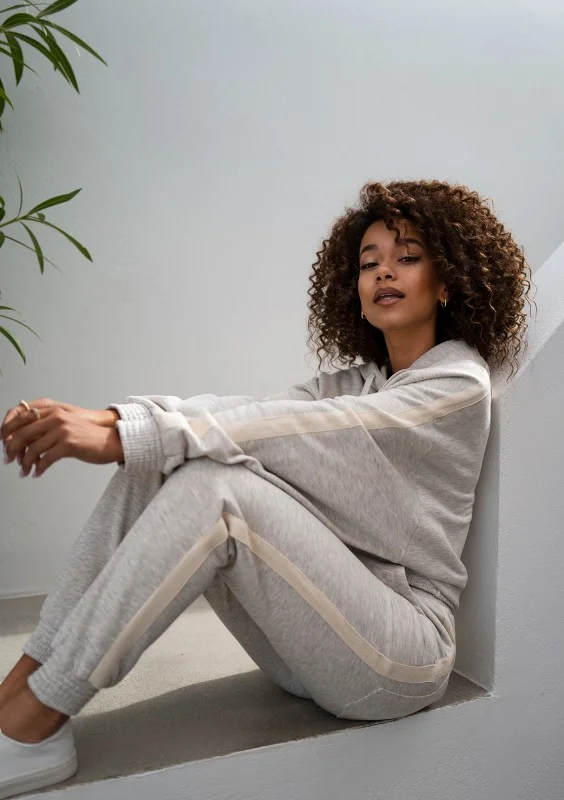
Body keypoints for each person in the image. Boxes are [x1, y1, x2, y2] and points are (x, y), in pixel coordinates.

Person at [0, 179, 531, 797]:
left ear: (447, 282)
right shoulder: (359, 382)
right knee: (168, 459)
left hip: (400, 657)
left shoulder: (456, 384)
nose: (385, 272)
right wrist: (122, 419)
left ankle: (37, 719)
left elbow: (291, 430)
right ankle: (20, 689)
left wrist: (123, 433)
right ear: (355, 290)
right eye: (369, 264)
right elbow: (247, 412)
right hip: (313, 640)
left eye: (407, 257)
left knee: (212, 485)